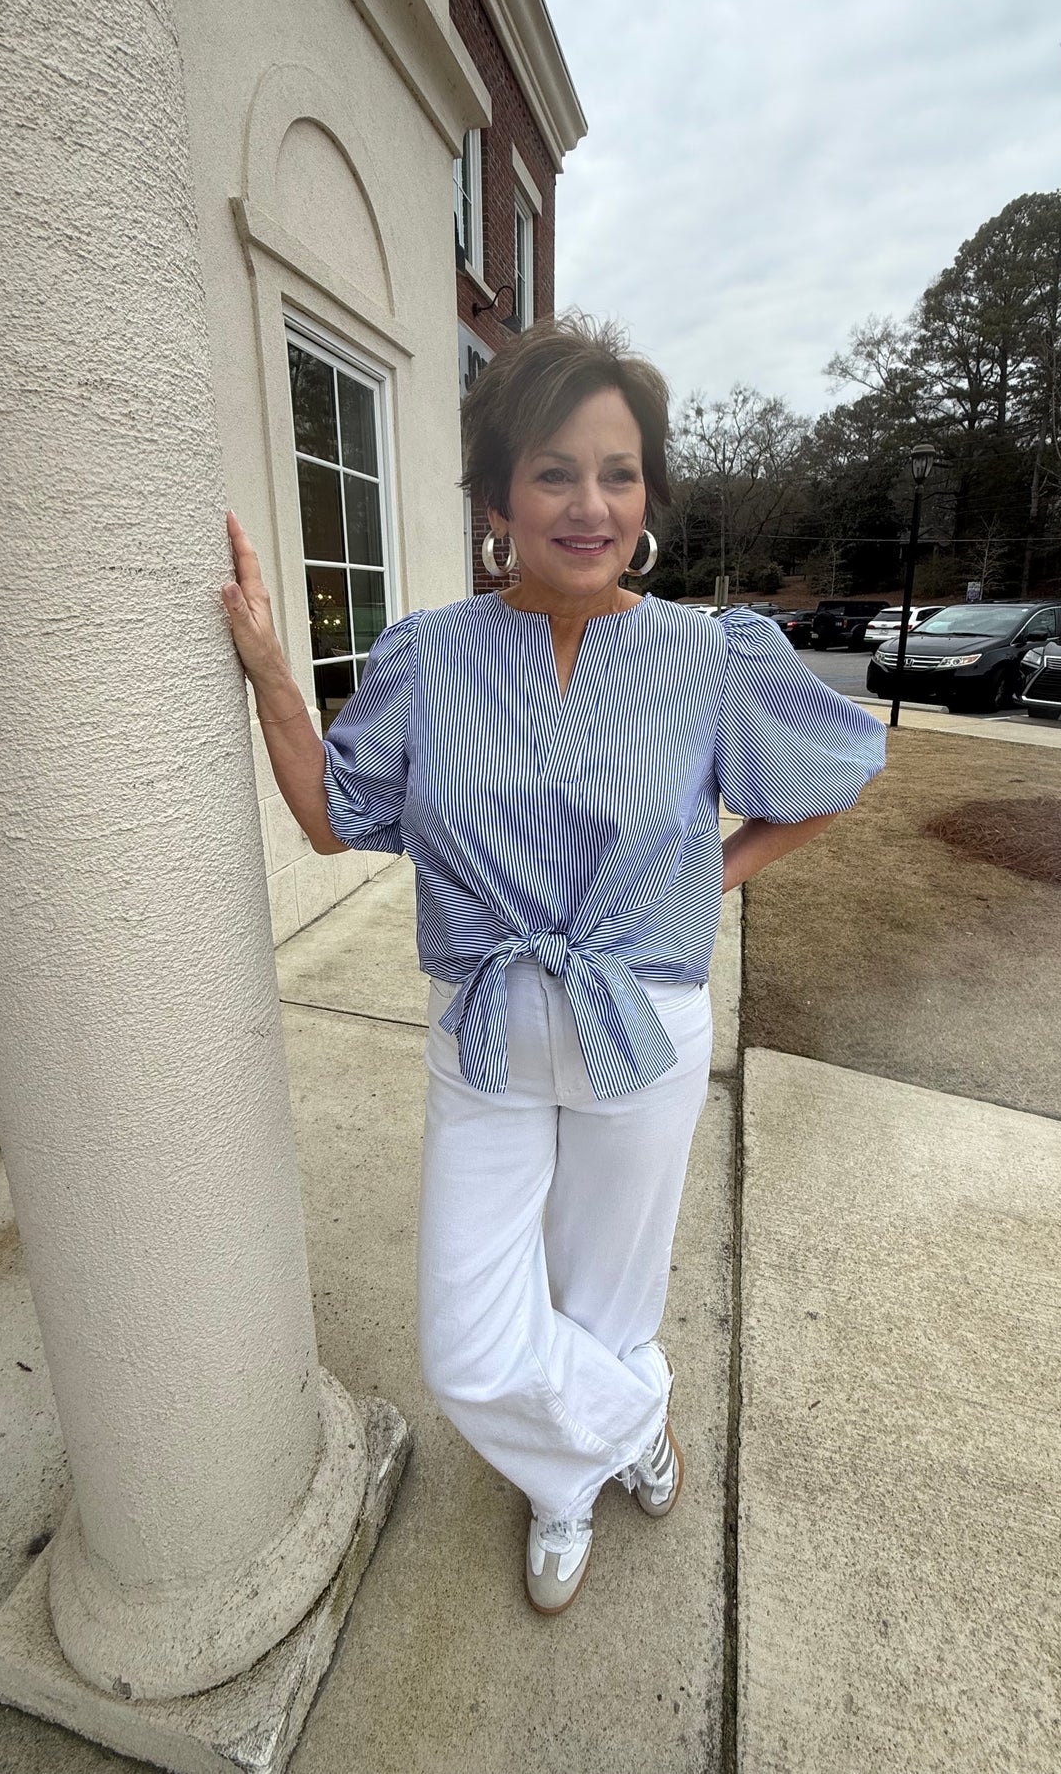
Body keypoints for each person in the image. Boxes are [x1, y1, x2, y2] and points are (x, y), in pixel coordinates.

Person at [221, 314, 885, 1615]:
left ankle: (563, 1486)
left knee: (604, 1294)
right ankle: (632, 1424)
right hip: (484, 1037)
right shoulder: (426, 655)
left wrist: (709, 876)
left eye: (618, 472)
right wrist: (265, 673)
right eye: (554, 472)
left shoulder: (710, 658)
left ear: (647, 498)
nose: (589, 503)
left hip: (642, 1030)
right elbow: (331, 819)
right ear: (494, 500)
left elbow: (826, 784)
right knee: (466, 1344)